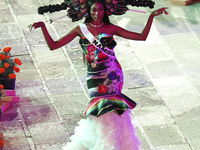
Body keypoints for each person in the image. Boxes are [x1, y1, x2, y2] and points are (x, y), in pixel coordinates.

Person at [29, 0, 168, 149]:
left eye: (100, 10)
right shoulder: (80, 29)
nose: (97, 14)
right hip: (95, 77)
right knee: (99, 111)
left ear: (106, 10)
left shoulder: (110, 27)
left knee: (113, 110)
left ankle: (116, 143)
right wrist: (43, 27)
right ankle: (102, 143)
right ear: (88, 11)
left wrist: (151, 17)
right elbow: (54, 45)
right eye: (94, 10)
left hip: (112, 74)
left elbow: (141, 37)